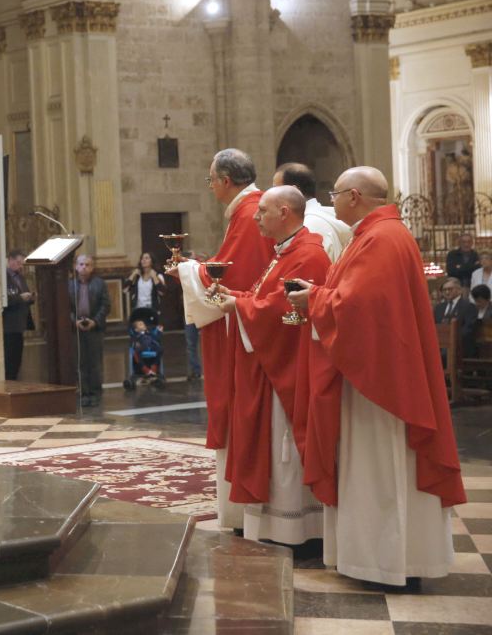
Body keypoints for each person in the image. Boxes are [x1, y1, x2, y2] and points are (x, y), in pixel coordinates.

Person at [289, 166, 464, 586]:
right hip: (380, 373)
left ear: (353, 196)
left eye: (335, 194)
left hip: (379, 383)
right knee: (381, 468)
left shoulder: (381, 238)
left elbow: (359, 306)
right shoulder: (378, 234)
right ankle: (385, 559)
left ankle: (385, 563)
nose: (331, 201)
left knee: (380, 469)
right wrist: (321, 296)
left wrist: (313, 298)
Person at [214, 186, 331, 546]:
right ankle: (274, 528)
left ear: (284, 213)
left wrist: (240, 307)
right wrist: (237, 297)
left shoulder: (307, 254)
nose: (255, 217)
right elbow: (265, 298)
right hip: (273, 366)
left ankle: (296, 531)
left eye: (262, 211)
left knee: (286, 452)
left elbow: (282, 309)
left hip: (288, 368)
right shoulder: (285, 251)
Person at [170, 148, 273, 529]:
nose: (210, 186)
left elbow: (230, 278)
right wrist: (194, 269)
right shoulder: (249, 210)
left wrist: (186, 271)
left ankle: (244, 507)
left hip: (247, 330)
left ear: (226, 181)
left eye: (210, 180)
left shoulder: (249, 214)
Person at [272, 162, 351, 261]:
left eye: (275, 189)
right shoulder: (320, 217)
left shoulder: (309, 226)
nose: (271, 195)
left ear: (294, 191)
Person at [69, 254, 109, 405]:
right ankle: (84, 393)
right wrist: (74, 321)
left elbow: (105, 305)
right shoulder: (69, 284)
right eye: (81, 264)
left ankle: (95, 393)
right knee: (80, 362)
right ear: (76, 266)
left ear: (92, 267)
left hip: (95, 328)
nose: (84, 267)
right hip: (76, 328)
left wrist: (95, 321)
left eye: (87, 265)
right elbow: (66, 306)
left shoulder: (100, 284)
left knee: (95, 363)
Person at [2, 249, 34, 382]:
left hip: (19, 325)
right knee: (10, 359)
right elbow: (3, 300)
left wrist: (30, 297)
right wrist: (20, 298)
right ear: (10, 260)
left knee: (17, 359)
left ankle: (14, 381)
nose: (21, 266)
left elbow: (24, 293)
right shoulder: (3, 277)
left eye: (22, 264)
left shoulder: (20, 277)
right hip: (8, 325)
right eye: (19, 262)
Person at [434, 276, 479, 357]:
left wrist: (452, 339)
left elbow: (468, 329)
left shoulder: (469, 306)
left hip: (460, 346)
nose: (447, 292)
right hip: (440, 345)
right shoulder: (439, 308)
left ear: (459, 290)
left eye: (450, 289)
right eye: (444, 290)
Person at [126, 252, 165, 324]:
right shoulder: (137, 277)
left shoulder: (158, 276)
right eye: (142, 258)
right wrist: (133, 274)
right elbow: (125, 289)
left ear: (152, 261)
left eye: (146, 258)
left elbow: (162, 292)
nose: (144, 260)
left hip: (152, 310)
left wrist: (154, 277)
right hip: (138, 310)